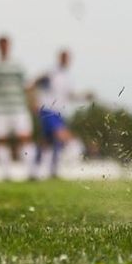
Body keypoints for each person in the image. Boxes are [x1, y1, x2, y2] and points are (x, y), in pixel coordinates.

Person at [0, 35, 36, 179]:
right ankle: (5, 173)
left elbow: (26, 85)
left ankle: (31, 172)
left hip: (18, 108)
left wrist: (33, 101)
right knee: (1, 140)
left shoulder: (17, 65)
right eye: (1, 45)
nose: (4, 47)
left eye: (6, 44)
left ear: (9, 46)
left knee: (25, 138)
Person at [31, 48, 87, 179]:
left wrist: (84, 96)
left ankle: (41, 170)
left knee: (48, 141)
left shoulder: (68, 77)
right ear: (59, 58)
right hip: (47, 109)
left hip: (60, 111)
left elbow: (70, 95)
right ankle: (77, 149)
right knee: (61, 134)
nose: (65, 60)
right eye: (63, 57)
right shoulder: (51, 72)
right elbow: (34, 83)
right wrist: (33, 101)